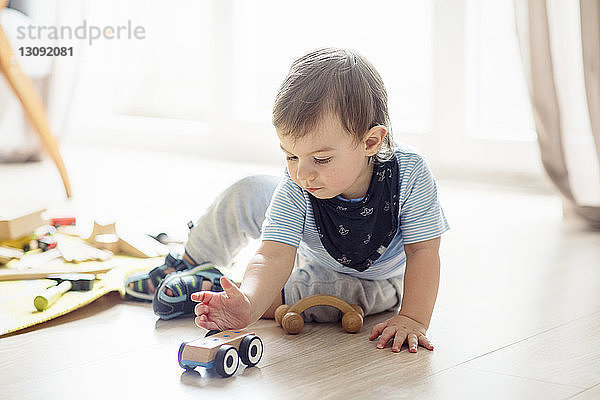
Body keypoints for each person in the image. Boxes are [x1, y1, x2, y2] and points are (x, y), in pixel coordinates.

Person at [127, 47, 449, 353]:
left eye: (321, 158)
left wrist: (413, 318)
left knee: (315, 292)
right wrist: (252, 303)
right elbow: (273, 255)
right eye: (291, 155)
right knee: (248, 191)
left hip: (371, 276)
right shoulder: (300, 180)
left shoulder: (409, 174)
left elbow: (423, 252)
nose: (302, 173)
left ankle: (216, 289)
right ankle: (191, 262)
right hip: (314, 242)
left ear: (370, 142)